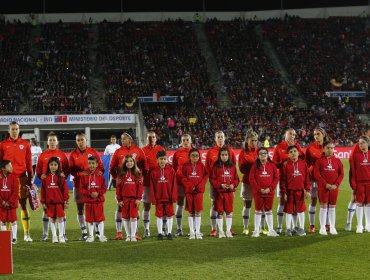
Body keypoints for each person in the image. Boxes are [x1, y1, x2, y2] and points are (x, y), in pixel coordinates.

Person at [109, 132, 148, 240]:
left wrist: (141, 177)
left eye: (124, 139)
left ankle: (134, 233)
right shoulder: (118, 151)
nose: (122, 140)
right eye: (121, 139)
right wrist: (116, 178)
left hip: (135, 184)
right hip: (122, 183)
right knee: (120, 207)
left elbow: (145, 165)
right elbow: (111, 167)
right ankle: (119, 232)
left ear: (130, 139)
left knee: (135, 207)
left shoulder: (138, 150)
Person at [0, 122, 33, 242]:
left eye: (17, 129)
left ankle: (26, 234)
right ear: (8, 131)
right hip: (7, 179)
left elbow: (29, 162)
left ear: (19, 130)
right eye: (12, 129)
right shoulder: (3, 144)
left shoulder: (25, 144)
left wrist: (30, 178)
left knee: (23, 205)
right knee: (7, 206)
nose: (15, 131)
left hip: (22, 178)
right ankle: (8, 236)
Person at [69, 132, 104, 241]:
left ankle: (98, 231)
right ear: (76, 141)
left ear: (86, 140)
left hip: (93, 186)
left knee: (95, 208)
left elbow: (101, 168)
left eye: (82, 140)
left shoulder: (93, 152)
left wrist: (93, 175)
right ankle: (84, 232)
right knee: (80, 209)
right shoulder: (73, 154)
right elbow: (71, 170)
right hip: (79, 185)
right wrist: (80, 174)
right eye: (78, 140)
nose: (80, 142)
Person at [36, 131, 69, 241]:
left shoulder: (62, 155)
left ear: (57, 142)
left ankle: (62, 234)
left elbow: (66, 169)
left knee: (61, 213)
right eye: (50, 140)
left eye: (54, 140)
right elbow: (38, 170)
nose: (52, 142)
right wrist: (42, 176)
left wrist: (64, 175)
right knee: (47, 213)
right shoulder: (43, 155)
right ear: (47, 142)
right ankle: (46, 234)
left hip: (58, 186)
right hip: (48, 185)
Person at [273, 128, 304, 234]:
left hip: (295, 179)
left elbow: (302, 160)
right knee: (282, 202)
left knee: (294, 204)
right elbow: (274, 163)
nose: (292, 136)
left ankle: (294, 226)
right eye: (290, 134)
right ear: (285, 135)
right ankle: (280, 227)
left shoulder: (297, 146)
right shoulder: (279, 147)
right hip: (283, 178)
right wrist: (284, 161)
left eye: (294, 134)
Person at [206, 131, 236, 237]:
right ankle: (214, 228)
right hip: (216, 185)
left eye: (221, 137)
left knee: (228, 206)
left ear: (224, 137)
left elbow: (233, 168)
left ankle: (228, 228)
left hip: (228, 185)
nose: (220, 139)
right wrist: (215, 183)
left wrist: (232, 184)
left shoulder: (230, 151)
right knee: (214, 206)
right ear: (215, 139)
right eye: (218, 137)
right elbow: (208, 169)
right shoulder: (210, 152)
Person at [314, 139, 344, 235]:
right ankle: (322, 227)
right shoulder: (319, 161)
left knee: (332, 207)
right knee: (323, 207)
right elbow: (317, 174)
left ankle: (332, 227)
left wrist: (336, 184)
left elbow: (341, 174)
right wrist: (325, 184)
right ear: (323, 149)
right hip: (323, 188)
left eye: (332, 148)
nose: (330, 150)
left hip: (334, 188)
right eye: (328, 148)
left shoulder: (338, 161)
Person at [280, 145, 310, 236]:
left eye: (295, 151)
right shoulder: (285, 165)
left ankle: (301, 228)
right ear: (288, 155)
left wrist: (307, 190)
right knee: (289, 210)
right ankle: (288, 229)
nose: (293, 153)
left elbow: (307, 178)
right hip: (289, 192)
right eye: (291, 152)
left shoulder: (303, 164)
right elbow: (283, 180)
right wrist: (284, 192)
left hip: (300, 191)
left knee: (301, 210)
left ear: (298, 153)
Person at [249, 147, 279, 237]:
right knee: (258, 210)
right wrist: (259, 189)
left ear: (267, 155)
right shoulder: (254, 166)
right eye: (261, 153)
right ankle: (256, 230)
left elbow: (276, 178)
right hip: (258, 192)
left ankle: (271, 230)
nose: (263, 155)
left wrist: (270, 188)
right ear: (258, 156)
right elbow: (252, 179)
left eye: (265, 153)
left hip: (269, 192)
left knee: (269, 210)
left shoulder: (272, 165)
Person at [210, 147, 239, 238]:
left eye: (226, 155)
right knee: (220, 212)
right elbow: (212, 179)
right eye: (222, 155)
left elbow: (237, 179)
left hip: (229, 193)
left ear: (228, 156)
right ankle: (221, 231)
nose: (224, 156)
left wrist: (233, 185)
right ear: (219, 156)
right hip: (219, 193)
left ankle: (228, 231)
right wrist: (220, 185)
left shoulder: (232, 166)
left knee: (229, 212)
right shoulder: (216, 166)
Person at [346, 128, 370, 231]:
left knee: (368, 204)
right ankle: (359, 225)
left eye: (363, 143)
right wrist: (354, 185)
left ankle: (368, 225)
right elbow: (353, 172)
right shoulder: (355, 156)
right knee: (359, 203)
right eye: (360, 143)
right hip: (359, 183)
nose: (361, 145)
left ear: (368, 143)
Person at [40, 157, 69, 243]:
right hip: (49, 203)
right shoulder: (45, 178)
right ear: (48, 166)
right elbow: (43, 191)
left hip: (59, 202)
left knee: (60, 218)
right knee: (51, 219)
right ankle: (54, 236)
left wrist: (66, 201)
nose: (53, 166)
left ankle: (61, 236)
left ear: (58, 166)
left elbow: (65, 190)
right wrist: (43, 202)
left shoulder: (61, 177)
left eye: (55, 165)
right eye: (51, 165)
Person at [181, 148, 208, 240]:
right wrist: (190, 185)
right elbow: (183, 177)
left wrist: (200, 186)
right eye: (193, 155)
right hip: (189, 191)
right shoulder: (185, 166)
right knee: (191, 211)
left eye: (197, 155)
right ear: (189, 156)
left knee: (198, 211)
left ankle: (198, 231)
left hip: (198, 192)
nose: (195, 157)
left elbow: (205, 177)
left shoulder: (201, 165)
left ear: (199, 156)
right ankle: (192, 232)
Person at [141, 131, 165, 238]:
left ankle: (163, 228)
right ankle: (146, 229)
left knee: (162, 205)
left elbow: (165, 164)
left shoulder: (161, 149)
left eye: (153, 137)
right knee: (146, 206)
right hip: (146, 183)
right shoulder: (142, 151)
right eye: (149, 137)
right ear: (146, 138)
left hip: (160, 182)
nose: (151, 139)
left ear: (156, 138)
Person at [150, 150, 177, 240]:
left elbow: (174, 184)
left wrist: (173, 196)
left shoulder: (171, 170)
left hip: (168, 198)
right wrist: (153, 198)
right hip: (158, 198)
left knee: (169, 215)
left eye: (164, 159)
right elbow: (152, 186)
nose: (162, 161)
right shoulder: (154, 171)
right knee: (159, 215)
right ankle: (160, 233)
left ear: (167, 159)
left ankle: (169, 233)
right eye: (161, 159)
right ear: (157, 160)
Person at [80, 156, 108, 242]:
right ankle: (91, 236)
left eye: (93, 163)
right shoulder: (84, 175)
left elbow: (104, 187)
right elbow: (81, 188)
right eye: (89, 163)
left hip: (98, 201)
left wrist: (98, 193)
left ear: (96, 164)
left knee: (100, 219)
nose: (91, 165)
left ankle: (101, 235)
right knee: (90, 220)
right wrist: (90, 194)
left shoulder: (100, 175)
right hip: (89, 202)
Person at [116, 155, 144, 242]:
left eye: (131, 161)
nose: (129, 163)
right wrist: (119, 199)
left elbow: (140, 187)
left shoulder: (138, 174)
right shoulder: (121, 174)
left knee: (134, 217)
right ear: (124, 163)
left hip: (134, 199)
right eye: (127, 161)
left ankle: (133, 236)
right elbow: (118, 188)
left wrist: (138, 198)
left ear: (134, 162)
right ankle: (128, 235)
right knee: (126, 218)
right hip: (124, 199)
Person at [305, 127, 327, 233]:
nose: (316, 136)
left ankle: (326, 224)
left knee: (325, 202)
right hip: (313, 179)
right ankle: (312, 225)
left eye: (318, 134)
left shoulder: (328, 147)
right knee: (313, 201)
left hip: (325, 179)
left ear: (323, 134)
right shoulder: (310, 148)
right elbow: (306, 164)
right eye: (314, 134)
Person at [238, 130, 259, 235]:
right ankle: (246, 227)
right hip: (247, 182)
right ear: (247, 141)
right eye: (252, 141)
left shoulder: (260, 151)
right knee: (247, 205)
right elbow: (241, 169)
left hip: (260, 182)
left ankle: (260, 227)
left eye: (255, 140)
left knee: (260, 205)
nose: (254, 142)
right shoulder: (243, 152)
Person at [172, 134, 192, 236]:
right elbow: (174, 168)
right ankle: (179, 229)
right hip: (180, 183)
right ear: (181, 141)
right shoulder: (177, 153)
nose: (185, 141)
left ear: (190, 141)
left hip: (191, 183)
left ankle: (192, 230)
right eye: (183, 140)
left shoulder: (194, 153)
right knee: (180, 204)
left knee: (191, 206)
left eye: (187, 140)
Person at [0, 160, 18, 244]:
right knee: (2, 220)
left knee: (13, 220)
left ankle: (14, 238)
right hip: (1, 204)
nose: (11, 167)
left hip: (11, 204)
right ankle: (4, 238)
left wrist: (9, 202)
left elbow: (15, 191)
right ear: (3, 168)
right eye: (9, 166)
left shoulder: (14, 177)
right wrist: (2, 202)